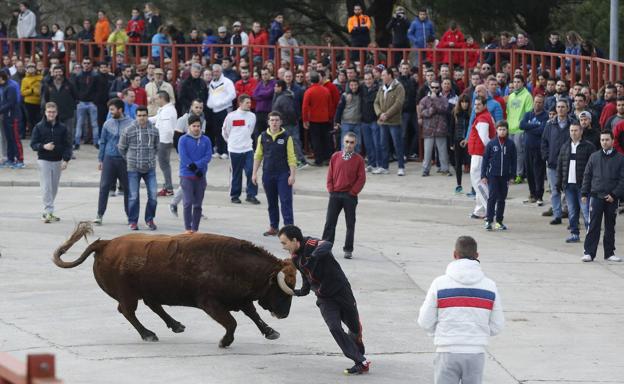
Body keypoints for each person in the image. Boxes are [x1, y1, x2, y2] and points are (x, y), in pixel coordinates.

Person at [277, 225, 370, 375]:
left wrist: (313, 257)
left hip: (341, 291)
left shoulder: (311, 243)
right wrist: (299, 292)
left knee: (353, 328)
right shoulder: (295, 259)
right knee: (334, 327)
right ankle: (361, 361)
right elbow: (306, 277)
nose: (283, 247)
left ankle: (357, 339)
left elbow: (327, 244)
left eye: (284, 243)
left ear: (294, 240)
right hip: (324, 298)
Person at [418, 236, 504, 384]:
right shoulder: (490, 286)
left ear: (454, 254)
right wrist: (477, 333)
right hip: (476, 353)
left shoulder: (439, 284)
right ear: (477, 256)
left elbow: (425, 321)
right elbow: (497, 325)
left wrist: (439, 334)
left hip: (446, 350)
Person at [581, 130, 624, 262]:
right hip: (596, 196)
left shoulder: (621, 158)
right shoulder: (594, 157)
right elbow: (587, 175)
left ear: (612, 141)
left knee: (610, 226)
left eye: (607, 140)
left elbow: (623, 179)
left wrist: (614, 194)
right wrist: (584, 192)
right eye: (602, 140)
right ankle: (589, 252)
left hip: (612, 198)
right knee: (593, 225)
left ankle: (609, 253)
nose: (604, 142)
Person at [321, 132, 366, 259]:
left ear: (355, 144)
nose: (349, 145)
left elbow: (361, 179)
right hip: (335, 194)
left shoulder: (359, 159)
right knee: (330, 222)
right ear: (343, 142)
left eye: (352, 142)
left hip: (349, 196)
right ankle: (325, 248)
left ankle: (348, 249)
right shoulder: (335, 156)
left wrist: (352, 192)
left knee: (350, 224)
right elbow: (330, 174)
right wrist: (331, 189)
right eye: (347, 142)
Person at [252, 111, 296, 236]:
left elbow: (291, 157)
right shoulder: (262, 136)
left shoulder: (287, 137)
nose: (274, 122)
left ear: (281, 122)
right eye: (272, 120)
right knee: (271, 202)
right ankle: (274, 227)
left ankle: (289, 230)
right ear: (268, 122)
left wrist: (292, 175)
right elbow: (258, 155)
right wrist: (254, 173)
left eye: (277, 120)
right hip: (268, 174)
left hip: (283, 174)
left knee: (285, 201)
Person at [118, 106, 159, 231]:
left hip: (150, 168)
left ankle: (149, 219)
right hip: (133, 168)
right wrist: (130, 159)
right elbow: (121, 148)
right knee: (133, 196)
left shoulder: (154, 130)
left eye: (144, 115)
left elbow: (156, 147)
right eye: (139, 115)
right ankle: (133, 221)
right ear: (136, 116)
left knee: (153, 196)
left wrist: (151, 158)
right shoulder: (128, 130)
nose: (142, 118)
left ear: (147, 116)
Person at [30, 102, 72, 223]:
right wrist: (43, 146)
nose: (51, 114)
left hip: (58, 160)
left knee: (54, 188)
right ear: (45, 112)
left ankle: (48, 211)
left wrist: (66, 159)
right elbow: (33, 144)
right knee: (46, 186)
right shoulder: (38, 127)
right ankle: (48, 211)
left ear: (57, 113)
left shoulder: (63, 128)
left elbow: (67, 145)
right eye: (49, 112)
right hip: (43, 160)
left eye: (53, 112)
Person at [93, 98, 133, 225]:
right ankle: (99, 214)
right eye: (109, 109)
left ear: (120, 110)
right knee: (104, 187)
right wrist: (100, 159)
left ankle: (130, 216)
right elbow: (103, 142)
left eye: (112, 109)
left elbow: (134, 142)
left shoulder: (131, 123)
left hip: (125, 160)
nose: (110, 112)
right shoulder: (107, 124)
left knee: (128, 189)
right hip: (109, 158)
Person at [557, 122, 595, 243]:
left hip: (583, 187)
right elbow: (560, 166)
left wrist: (590, 185)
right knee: (572, 211)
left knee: (586, 211)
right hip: (568, 186)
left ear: (581, 132)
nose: (573, 133)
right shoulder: (565, 147)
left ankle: (591, 235)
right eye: (571, 131)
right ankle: (574, 234)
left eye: (576, 130)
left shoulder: (589, 147)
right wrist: (559, 183)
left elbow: (594, 167)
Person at [222, 94, 259, 204]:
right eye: (247, 102)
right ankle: (235, 195)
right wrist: (231, 142)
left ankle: (251, 195)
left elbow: (250, 130)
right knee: (236, 173)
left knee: (250, 172)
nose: (249, 104)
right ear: (240, 103)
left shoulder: (252, 116)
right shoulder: (231, 116)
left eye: (250, 102)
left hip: (248, 148)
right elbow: (225, 131)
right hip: (234, 149)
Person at [178, 114, 212, 233]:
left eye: (198, 126)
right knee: (187, 202)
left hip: (200, 176)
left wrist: (198, 168)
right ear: (189, 126)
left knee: (197, 204)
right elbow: (184, 157)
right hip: (187, 175)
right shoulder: (183, 139)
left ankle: (195, 229)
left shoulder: (206, 140)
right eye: (194, 126)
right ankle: (188, 228)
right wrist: (194, 169)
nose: (196, 128)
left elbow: (208, 156)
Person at [481, 120, 517, 231]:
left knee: (502, 199)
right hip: (493, 175)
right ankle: (489, 220)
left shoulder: (511, 144)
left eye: (504, 129)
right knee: (492, 198)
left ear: (507, 131)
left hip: (504, 176)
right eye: (500, 129)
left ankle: (499, 221)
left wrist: (512, 176)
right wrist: (483, 175)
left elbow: (514, 161)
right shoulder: (491, 144)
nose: (502, 131)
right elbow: (485, 160)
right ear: (496, 130)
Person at [541, 100, 573, 224]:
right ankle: (557, 215)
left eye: (563, 107)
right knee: (555, 191)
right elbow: (544, 142)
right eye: (558, 107)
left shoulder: (572, 124)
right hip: (553, 163)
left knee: (568, 190)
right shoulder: (550, 124)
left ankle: (571, 215)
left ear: (568, 109)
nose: (560, 109)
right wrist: (546, 157)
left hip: (569, 163)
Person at [467, 96, 496, 219]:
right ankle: (480, 210)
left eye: (479, 104)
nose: (476, 106)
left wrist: (491, 153)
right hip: (479, 154)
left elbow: (485, 140)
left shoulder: (483, 118)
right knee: (479, 184)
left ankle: (490, 211)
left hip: (479, 155)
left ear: (485, 105)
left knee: (479, 184)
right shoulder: (484, 116)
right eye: (475, 104)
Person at [373, 68, 405, 176]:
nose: (382, 77)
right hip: (383, 121)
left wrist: (387, 114)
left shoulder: (399, 87)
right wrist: (379, 114)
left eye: (383, 75)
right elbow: (376, 102)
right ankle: (384, 167)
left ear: (390, 75)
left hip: (394, 121)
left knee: (397, 144)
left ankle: (401, 167)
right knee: (383, 144)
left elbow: (398, 104)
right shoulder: (381, 88)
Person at [520, 94, 549, 205]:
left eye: (540, 102)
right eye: (536, 102)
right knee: (529, 172)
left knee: (539, 173)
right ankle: (532, 194)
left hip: (538, 149)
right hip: (527, 148)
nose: (537, 104)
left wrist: (529, 128)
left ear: (543, 103)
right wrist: (533, 127)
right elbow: (522, 125)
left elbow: (542, 130)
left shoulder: (545, 116)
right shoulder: (528, 114)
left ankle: (539, 196)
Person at [418, 79, 450, 177]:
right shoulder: (424, 100)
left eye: (436, 87)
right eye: (433, 87)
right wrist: (432, 110)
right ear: (429, 87)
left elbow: (445, 109)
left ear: (439, 88)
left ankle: (445, 169)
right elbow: (423, 112)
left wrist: (435, 101)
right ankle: (425, 170)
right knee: (427, 152)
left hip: (440, 128)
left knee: (442, 151)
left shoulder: (444, 99)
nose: (435, 89)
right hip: (428, 129)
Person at [148, 91, 177, 196]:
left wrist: (161, 141)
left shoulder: (168, 111)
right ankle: (167, 186)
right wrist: (145, 119)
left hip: (164, 141)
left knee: (164, 165)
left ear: (162, 98)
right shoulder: (165, 110)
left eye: (157, 99)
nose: (155, 101)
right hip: (163, 141)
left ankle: (169, 188)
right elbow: (157, 119)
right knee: (165, 165)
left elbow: (167, 129)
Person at [506, 75, 534, 184]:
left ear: (523, 83)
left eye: (518, 81)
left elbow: (529, 113)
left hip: (520, 129)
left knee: (519, 153)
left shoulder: (527, 96)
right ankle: (511, 173)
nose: (516, 84)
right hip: (510, 128)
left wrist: (522, 125)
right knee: (510, 153)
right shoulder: (511, 96)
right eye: (514, 82)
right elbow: (508, 112)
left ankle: (519, 174)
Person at [302, 71, 332, 167]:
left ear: (310, 81)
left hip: (314, 119)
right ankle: (327, 158)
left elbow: (305, 107)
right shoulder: (326, 90)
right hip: (325, 118)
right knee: (326, 139)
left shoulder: (309, 91)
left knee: (316, 140)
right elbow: (330, 105)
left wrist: (305, 120)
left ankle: (319, 159)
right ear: (319, 80)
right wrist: (330, 117)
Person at [207, 64, 236, 158]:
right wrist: (209, 104)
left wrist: (222, 103)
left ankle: (226, 151)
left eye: (217, 71)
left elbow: (232, 95)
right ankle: (219, 151)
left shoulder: (227, 82)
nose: (215, 73)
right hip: (215, 110)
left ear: (221, 71)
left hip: (225, 109)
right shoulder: (212, 83)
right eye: (214, 71)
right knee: (217, 131)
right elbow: (211, 95)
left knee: (226, 131)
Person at [73, 57, 100, 149]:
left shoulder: (96, 76)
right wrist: (77, 100)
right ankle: (77, 143)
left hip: (92, 103)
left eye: (88, 63)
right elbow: (75, 89)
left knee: (94, 124)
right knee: (79, 123)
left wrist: (95, 101)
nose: (86, 65)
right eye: (85, 63)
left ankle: (96, 142)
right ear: (82, 64)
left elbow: (98, 90)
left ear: (91, 64)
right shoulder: (78, 75)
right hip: (81, 102)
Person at [0, 70, 24, 168]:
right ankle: (10, 159)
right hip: (6, 116)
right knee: (9, 139)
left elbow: (11, 103)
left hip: (13, 117)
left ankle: (20, 160)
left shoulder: (11, 87)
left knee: (15, 139)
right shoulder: (3, 86)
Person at [334, 79, 363, 153]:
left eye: (355, 85)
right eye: (351, 85)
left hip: (357, 122)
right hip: (346, 122)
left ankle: (355, 162)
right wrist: (336, 121)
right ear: (349, 86)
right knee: (345, 144)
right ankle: (345, 161)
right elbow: (339, 108)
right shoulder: (345, 95)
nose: (354, 87)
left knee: (357, 144)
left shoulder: (361, 94)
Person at [450, 94, 471, 193]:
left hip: (469, 140)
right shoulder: (455, 112)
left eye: (466, 102)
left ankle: (473, 186)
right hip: (457, 139)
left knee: (471, 163)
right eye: (462, 102)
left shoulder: (471, 113)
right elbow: (451, 128)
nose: (464, 104)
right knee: (458, 163)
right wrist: (451, 143)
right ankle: (459, 184)